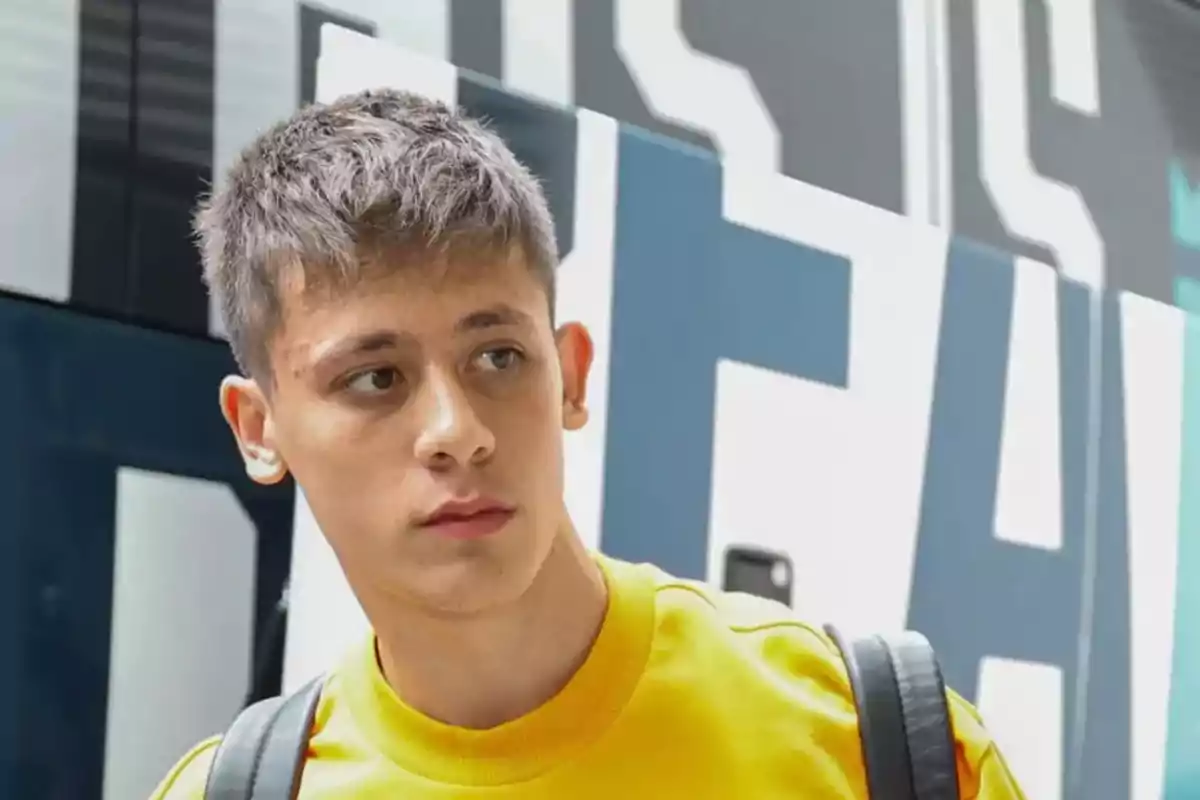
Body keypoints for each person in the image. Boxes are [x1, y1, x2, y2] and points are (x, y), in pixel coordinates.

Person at [152, 88, 1026, 799]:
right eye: (375, 378)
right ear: (260, 431)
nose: (458, 432)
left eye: (498, 356)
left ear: (569, 375)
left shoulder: (871, 741)